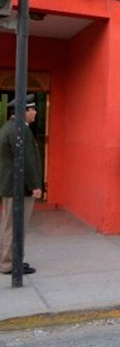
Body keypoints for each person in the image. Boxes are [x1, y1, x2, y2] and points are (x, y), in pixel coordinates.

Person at [0, 95, 42, 275]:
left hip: (11, 185)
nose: (35, 112)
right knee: (15, 225)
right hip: (19, 186)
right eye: (32, 109)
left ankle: (9, 259)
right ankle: (10, 263)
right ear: (23, 111)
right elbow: (27, 161)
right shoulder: (20, 130)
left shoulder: (9, 127)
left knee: (8, 224)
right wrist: (35, 185)